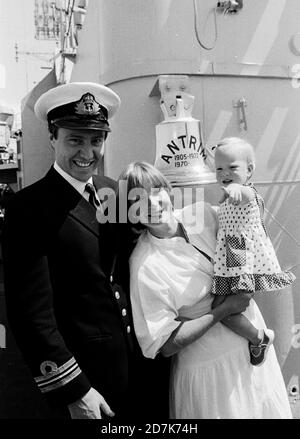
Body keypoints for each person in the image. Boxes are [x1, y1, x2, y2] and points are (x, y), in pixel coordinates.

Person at [2, 82, 137, 419]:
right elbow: (31, 315)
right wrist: (74, 390)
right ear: (52, 138)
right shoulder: (28, 208)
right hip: (86, 378)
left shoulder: (114, 192)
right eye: (75, 140)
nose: (87, 153)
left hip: (133, 365)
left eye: (96, 140)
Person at [122, 160, 293, 419]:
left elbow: (245, 224)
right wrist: (223, 310)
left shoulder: (202, 213)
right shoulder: (145, 265)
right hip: (210, 376)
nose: (153, 205)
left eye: (156, 192)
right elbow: (165, 344)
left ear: (168, 190)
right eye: (138, 201)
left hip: (254, 357)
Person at [211, 137, 295, 366]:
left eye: (232, 168)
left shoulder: (247, 192)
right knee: (220, 308)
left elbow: (246, 195)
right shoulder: (228, 194)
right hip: (232, 255)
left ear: (249, 170)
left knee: (223, 307)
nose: (224, 173)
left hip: (241, 258)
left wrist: (237, 189)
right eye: (219, 168)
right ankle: (258, 337)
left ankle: (258, 337)